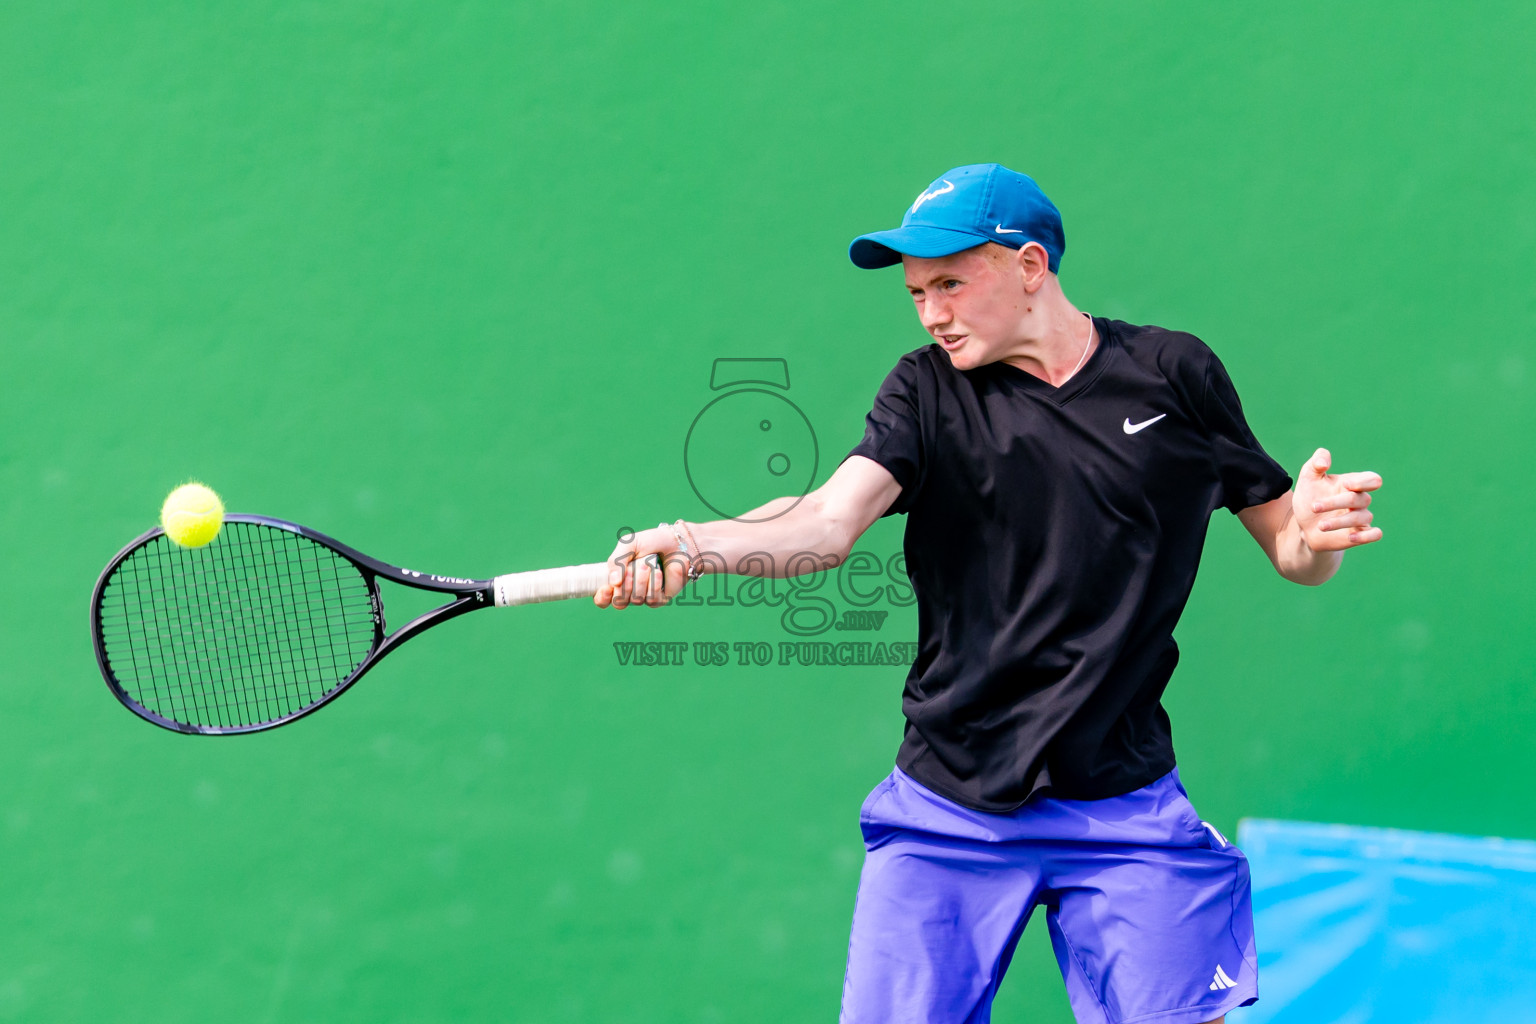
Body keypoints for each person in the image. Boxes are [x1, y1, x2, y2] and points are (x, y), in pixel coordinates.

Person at [594, 163, 1383, 1024]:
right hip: (949, 811)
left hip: (1124, 808)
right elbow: (825, 522)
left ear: (1031, 266)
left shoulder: (1174, 374)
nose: (932, 312)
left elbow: (1293, 552)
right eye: (916, 293)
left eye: (950, 284)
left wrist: (1316, 530)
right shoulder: (924, 391)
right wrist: (698, 544)